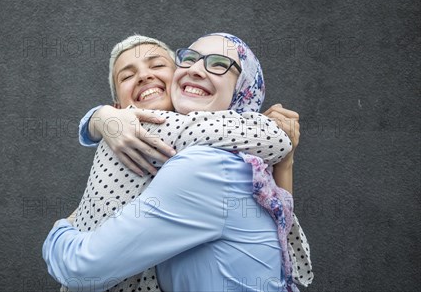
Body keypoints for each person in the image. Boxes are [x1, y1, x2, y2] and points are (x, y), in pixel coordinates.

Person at [44, 33, 312, 291]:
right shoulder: (239, 163)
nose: (144, 76)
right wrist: (99, 118)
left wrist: (60, 231)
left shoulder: (204, 166)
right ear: (119, 107)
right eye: (127, 75)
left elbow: (80, 268)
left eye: (158, 65)